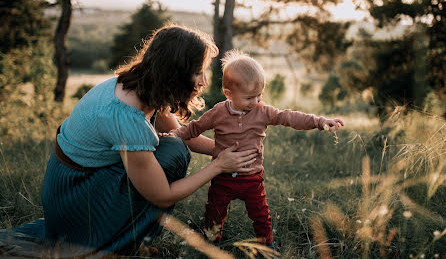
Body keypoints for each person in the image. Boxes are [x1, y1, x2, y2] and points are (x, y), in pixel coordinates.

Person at [38, 24, 259, 255]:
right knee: (173, 153)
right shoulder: (127, 116)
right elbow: (162, 196)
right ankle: (118, 242)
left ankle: (127, 234)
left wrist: (231, 150)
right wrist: (218, 166)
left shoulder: (144, 85)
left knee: (174, 144)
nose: (204, 81)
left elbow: (183, 135)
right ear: (174, 72)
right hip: (74, 197)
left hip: (87, 177)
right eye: (197, 72)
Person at [167, 49, 344, 247]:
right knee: (214, 211)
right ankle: (211, 243)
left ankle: (266, 245)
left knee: (260, 214)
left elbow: (289, 117)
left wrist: (320, 122)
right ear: (229, 94)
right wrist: (174, 135)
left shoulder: (263, 111)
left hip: (252, 177)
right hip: (223, 177)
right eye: (250, 98)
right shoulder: (218, 112)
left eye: (259, 95)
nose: (256, 102)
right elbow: (194, 128)